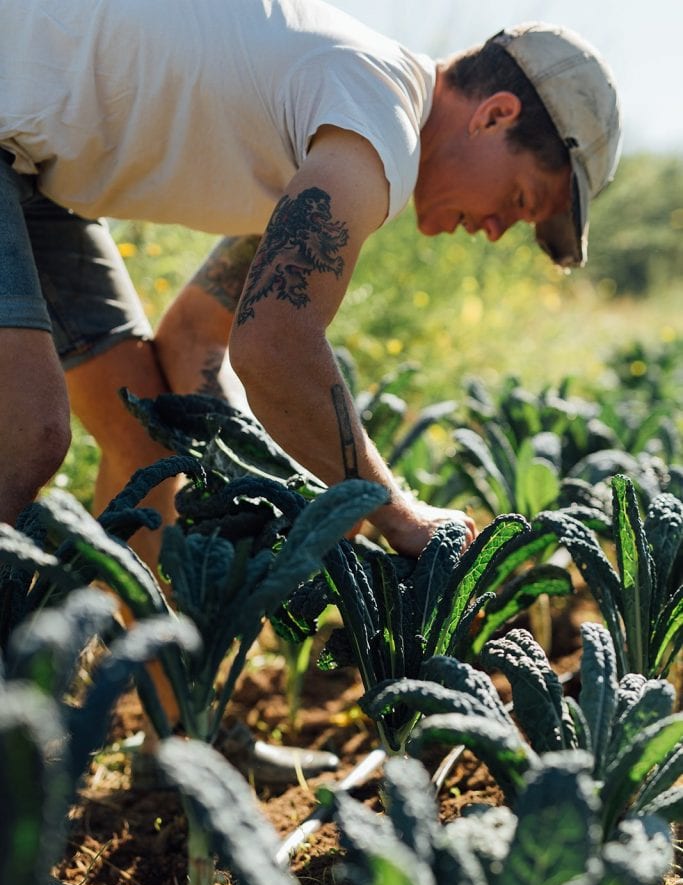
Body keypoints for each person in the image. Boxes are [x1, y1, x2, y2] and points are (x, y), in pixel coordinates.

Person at [0, 0, 621, 568]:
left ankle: (151, 681)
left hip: (38, 171)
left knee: (148, 450)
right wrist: (395, 511)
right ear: (494, 116)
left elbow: (195, 337)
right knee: (28, 429)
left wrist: (297, 480)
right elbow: (275, 344)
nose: (495, 230)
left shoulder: (347, 133)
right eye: (519, 200)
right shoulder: (381, 117)